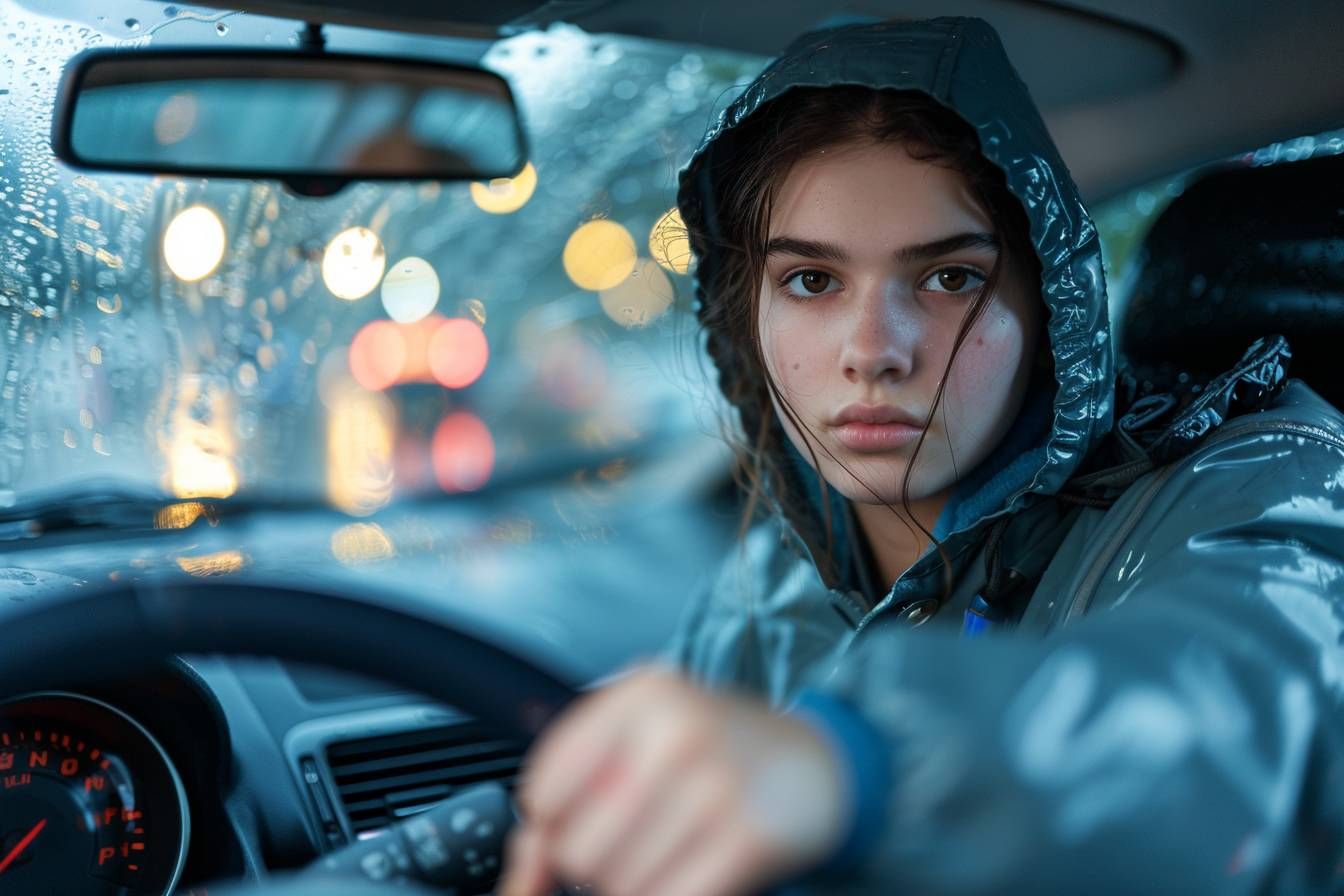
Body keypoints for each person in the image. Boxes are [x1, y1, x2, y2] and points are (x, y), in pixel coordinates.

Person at [498, 16, 1344, 896]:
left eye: (949, 278)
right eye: (812, 281)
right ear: (749, 313)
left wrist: (858, 761)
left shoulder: (1272, 480)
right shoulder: (767, 585)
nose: (875, 349)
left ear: (1050, 309)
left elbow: (1247, 719)